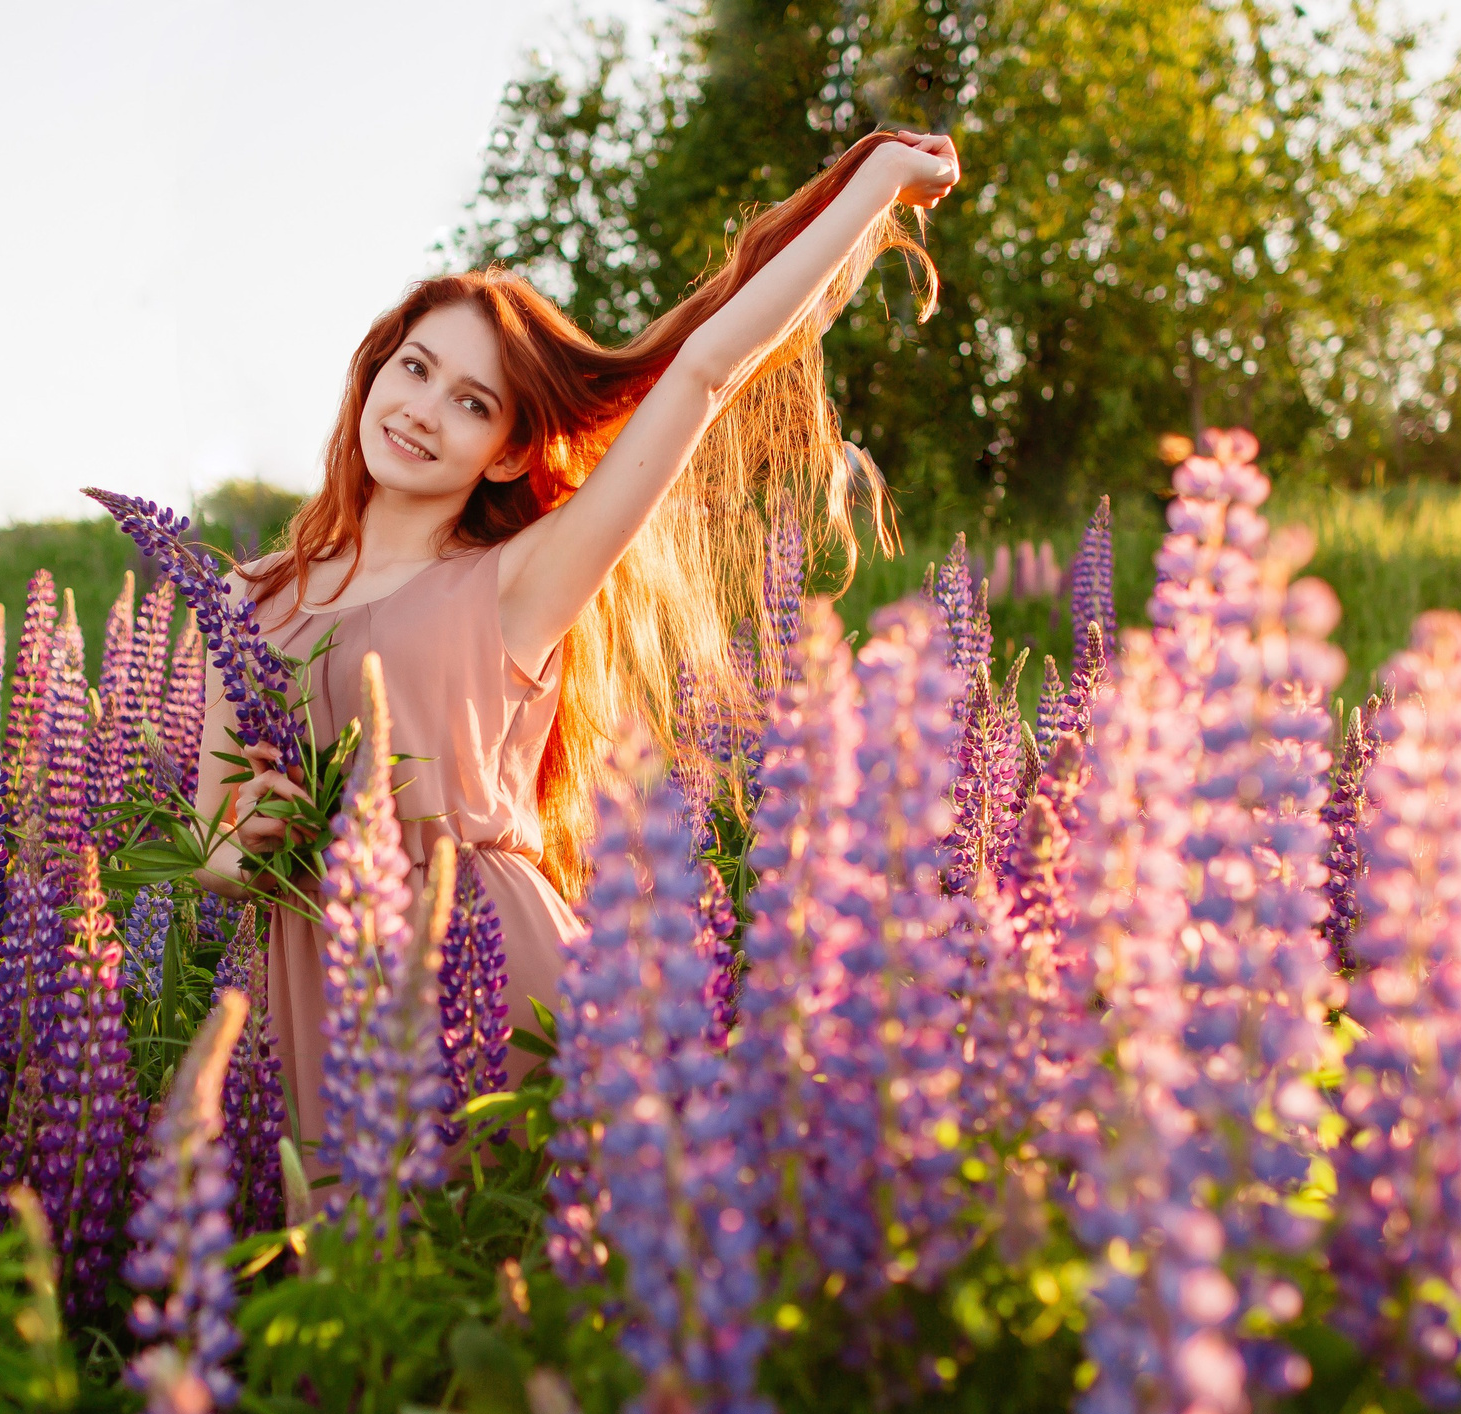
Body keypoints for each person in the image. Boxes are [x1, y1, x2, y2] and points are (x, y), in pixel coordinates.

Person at [191, 128, 962, 1144]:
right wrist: (266, 835)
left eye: (471, 402)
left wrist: (875, 188)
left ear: (510, 451)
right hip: (317, 984)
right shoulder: (248, 594)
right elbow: (210, 848)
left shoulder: (518, 581)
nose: (424, 410)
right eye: (414, 369)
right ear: (373, 370)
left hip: (491, 978)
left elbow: (701, 373)